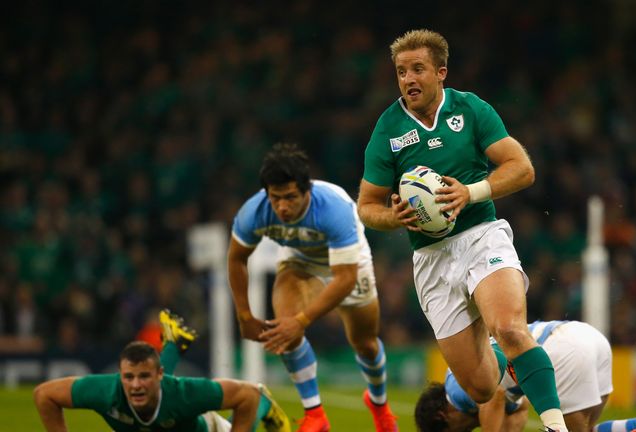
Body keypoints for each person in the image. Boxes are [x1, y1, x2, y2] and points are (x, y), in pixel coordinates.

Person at [357, 29, 566, 431]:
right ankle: (510, 363)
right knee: (483, 388)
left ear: (441, 72)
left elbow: (522, 168)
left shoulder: (470, 110)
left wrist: (469, 192)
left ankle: (556, 425)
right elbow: (367, 207)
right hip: (430, 258)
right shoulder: (387, 130)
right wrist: (394, 217)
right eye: (401, 72)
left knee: (509, 327)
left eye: (418, 69)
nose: (408, 79)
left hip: (480, 234)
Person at [228, 142, 398, 432]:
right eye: (275, 197)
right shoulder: (254, 212)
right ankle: (315, 413)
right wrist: (244, 315)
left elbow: (344, 277)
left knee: (365, 344)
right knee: (285, 328)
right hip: (300, 260)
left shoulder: (333, 209)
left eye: (291, 197)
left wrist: (303, 320)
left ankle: (379, 404)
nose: (282, 206)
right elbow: (236, 259)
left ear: (307, 191)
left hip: (348, 262)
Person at [33, 309, 290, 432]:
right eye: (128, 377)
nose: (134, 385)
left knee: (252, 399)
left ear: (161, 376)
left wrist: (256, 399)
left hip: (204, 430)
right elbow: (44, 394)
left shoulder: (184, 393)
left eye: (143, 376)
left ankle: (265, 405)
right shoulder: (105, 391)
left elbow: (246, 396)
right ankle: (174, 343)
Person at [414, 320, 636, 432]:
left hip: (560, 352)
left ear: (442, 416)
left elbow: (494, 398)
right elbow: (519, 407)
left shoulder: (458, 387)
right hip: (589, 339)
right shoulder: (464, 384)